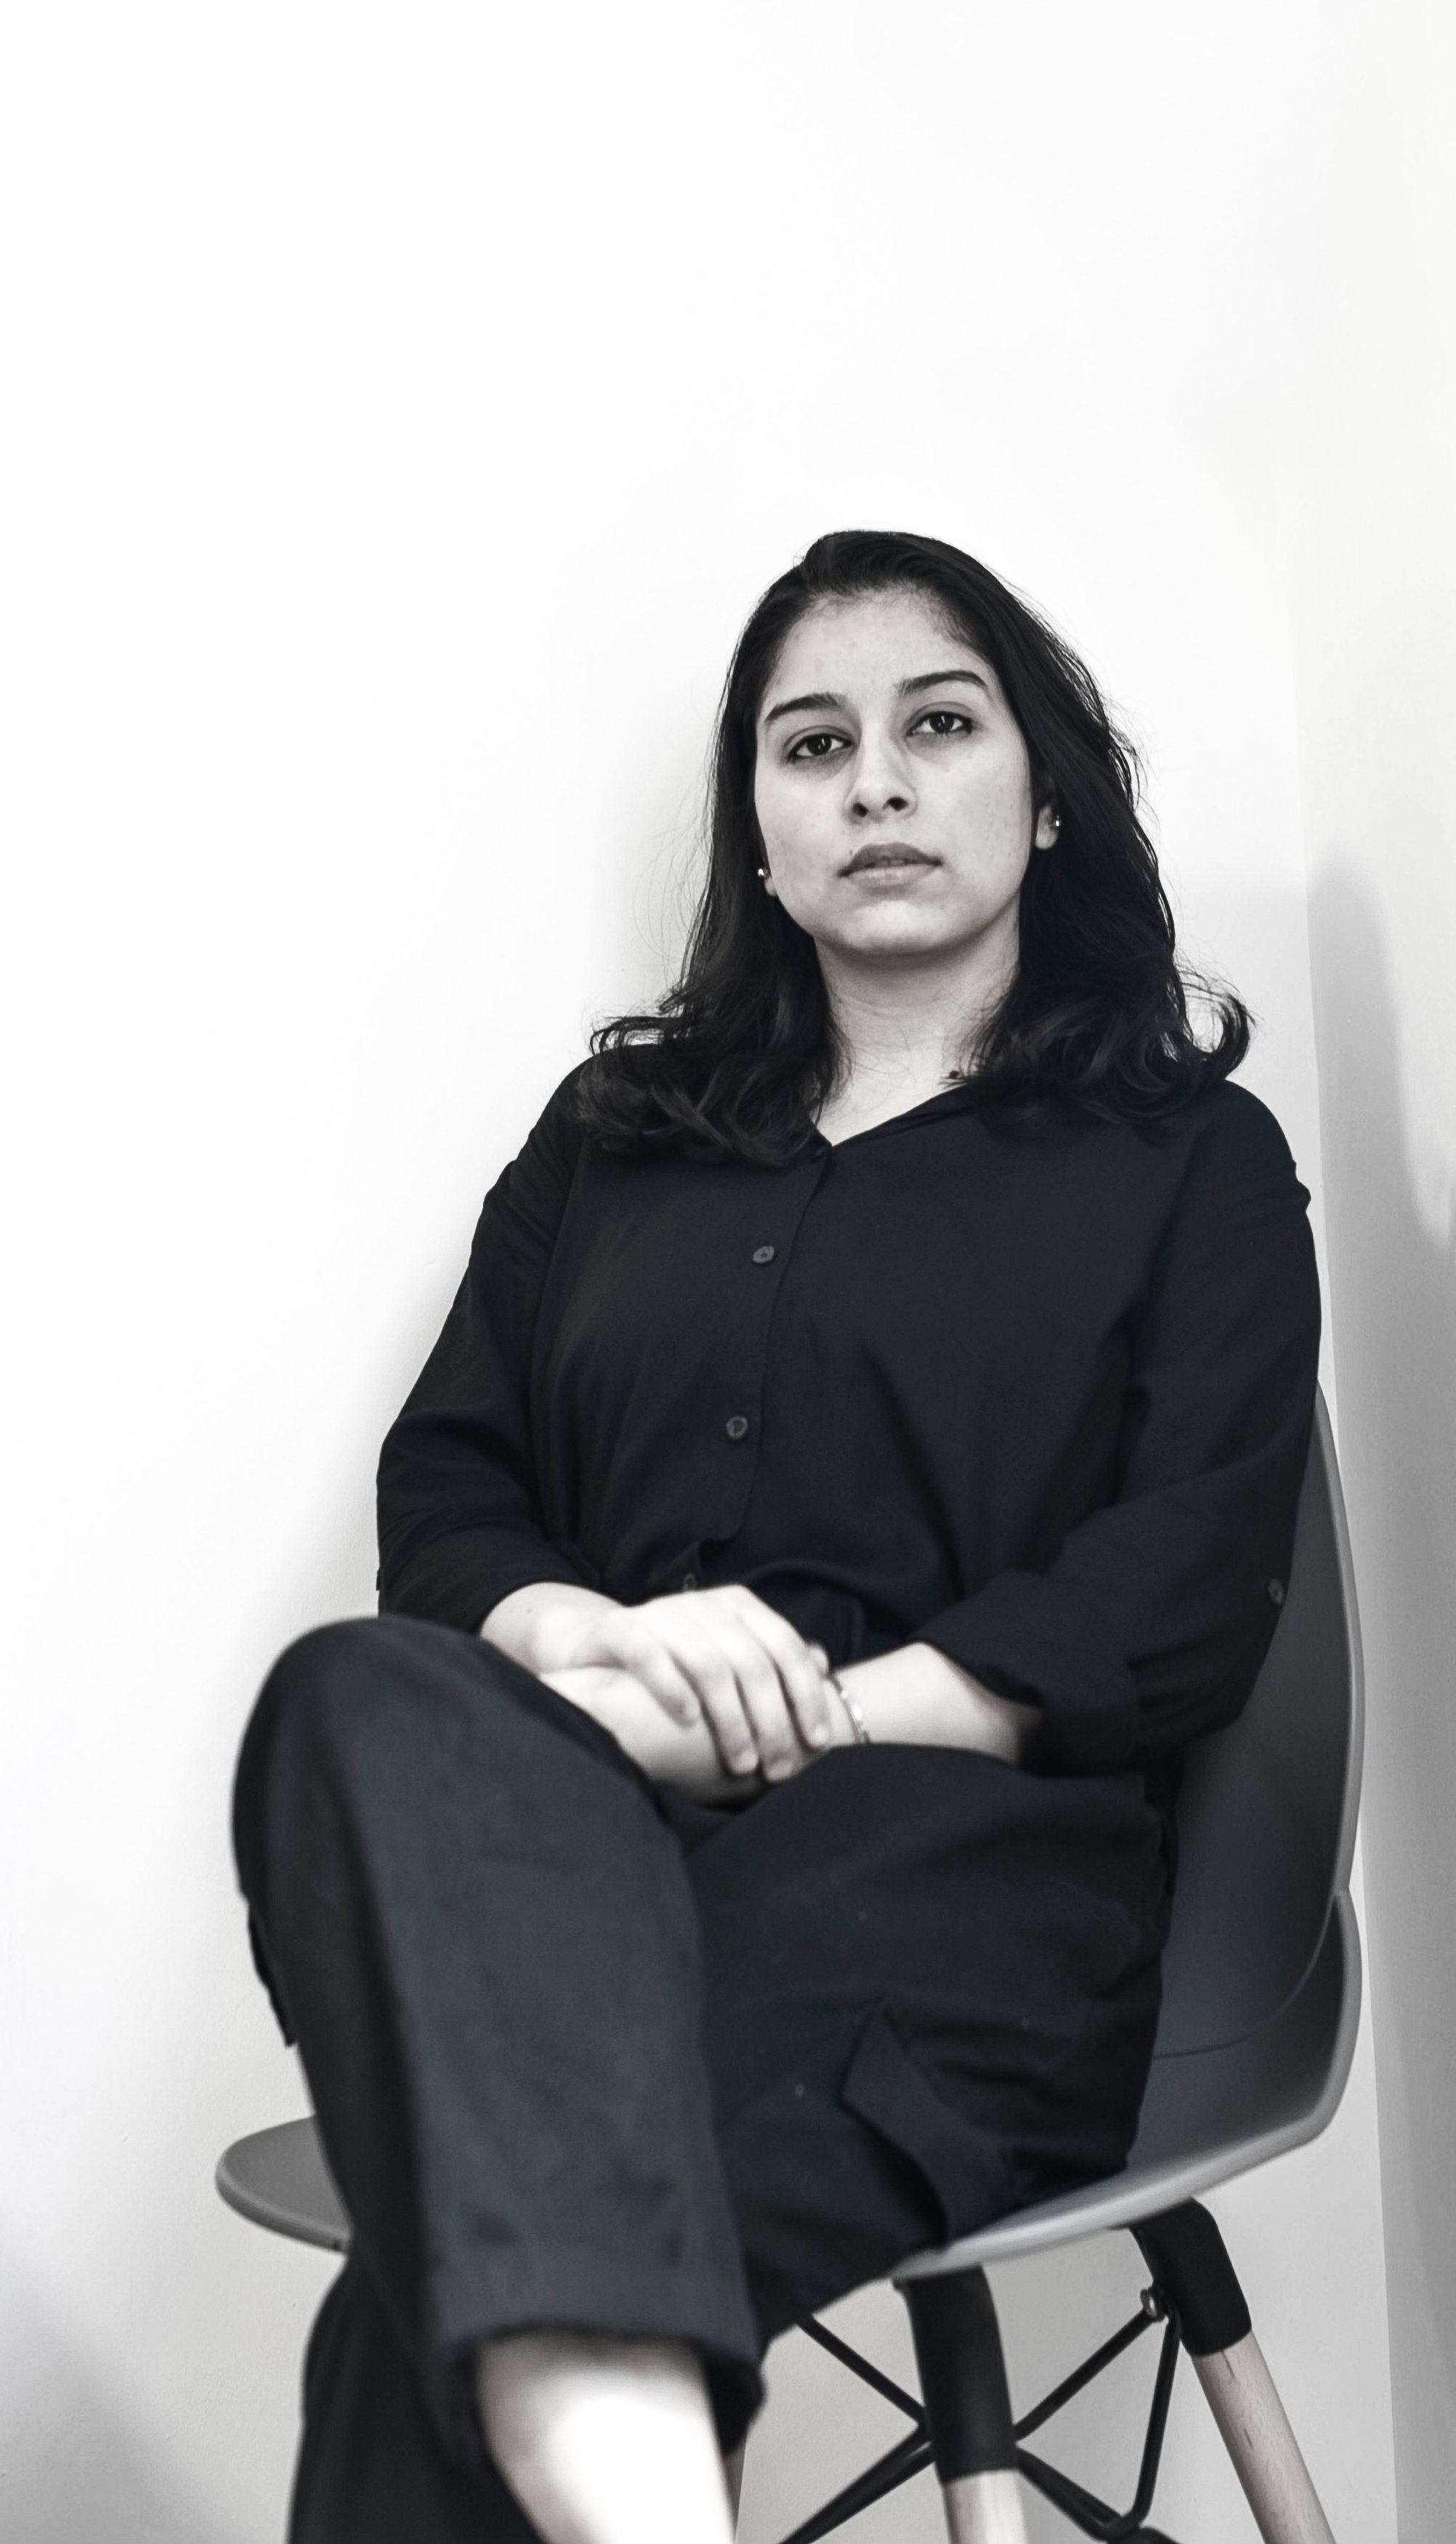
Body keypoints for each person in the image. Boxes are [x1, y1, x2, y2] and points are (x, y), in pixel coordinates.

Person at [232, 528, 1321, 2544]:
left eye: (937, 725)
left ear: (1045, 788)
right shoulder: (610, 1142)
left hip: (949, 1872)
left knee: (420, 2312)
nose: (877, 783)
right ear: (756, 830)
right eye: (812, 746)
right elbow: (450, 1497)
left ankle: (614, 2457)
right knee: (351, 1696)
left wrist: (796, 1722)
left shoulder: (1187, 1161)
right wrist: (594, 1651)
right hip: (573, 1865)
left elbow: (1180, 1589)